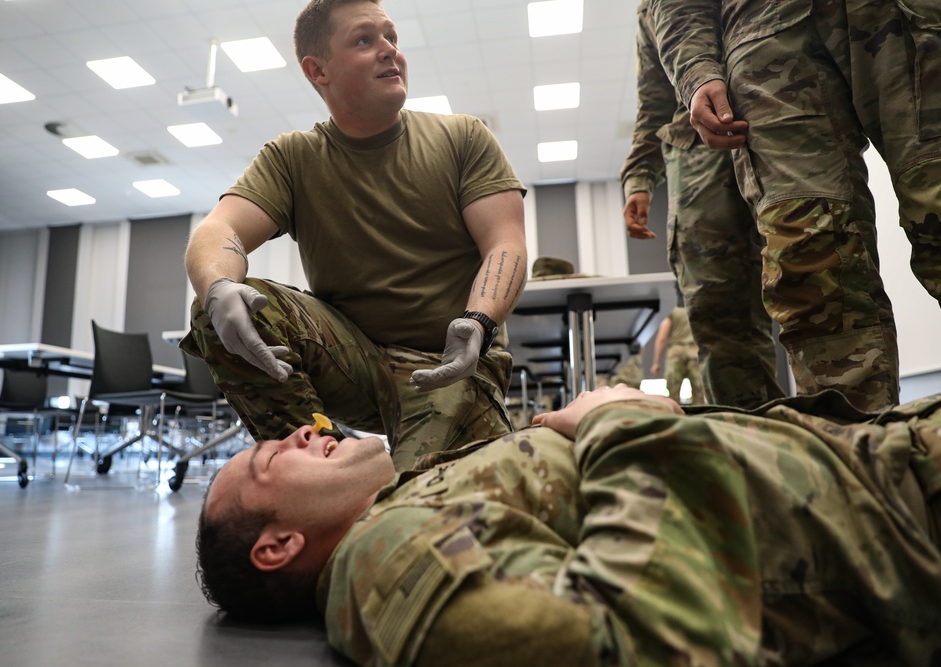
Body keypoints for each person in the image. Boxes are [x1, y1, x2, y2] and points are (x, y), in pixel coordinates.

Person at [195, 384, 941, 665]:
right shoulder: (383, 557)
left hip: (881, 465)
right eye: (270, 459)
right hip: (899, 512)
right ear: (279, 545)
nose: (300, 431)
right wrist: (621, 421)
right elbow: (638, 640)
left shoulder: (400, 510)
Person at [181, 0, 528, 469]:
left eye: (392, 37)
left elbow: (505, 245)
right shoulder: (293, 157)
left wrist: (481, 321)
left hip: (449, 363)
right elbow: (218, 229)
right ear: (317, 70)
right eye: (365, 40)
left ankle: (379, 484)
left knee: (420, 507)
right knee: (221, 305)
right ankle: (324, 469)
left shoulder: (463, 137)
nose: (389, 50)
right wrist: (219, 285)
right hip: (353, 364)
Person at [647, 0, 941, 412]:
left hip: (904, 14)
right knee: (811, 265)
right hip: (767, 42)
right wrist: (695, 69)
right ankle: (853, 457)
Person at [621, 0, 783, 409]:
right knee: (719, 312)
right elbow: (654, 99)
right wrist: (640, 177)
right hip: (698, 164)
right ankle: (748, 443)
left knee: (821, 281)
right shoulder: (652, 9)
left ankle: (851, 445)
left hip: (784, 119)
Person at [651, 304, 705, 404]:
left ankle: (674, 416)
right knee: (699, 393)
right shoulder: (695, 309)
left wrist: (656, 362)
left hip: (676, 353)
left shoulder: (672, 312)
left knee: (673, 393)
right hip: (694, 352)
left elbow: (661, 339)